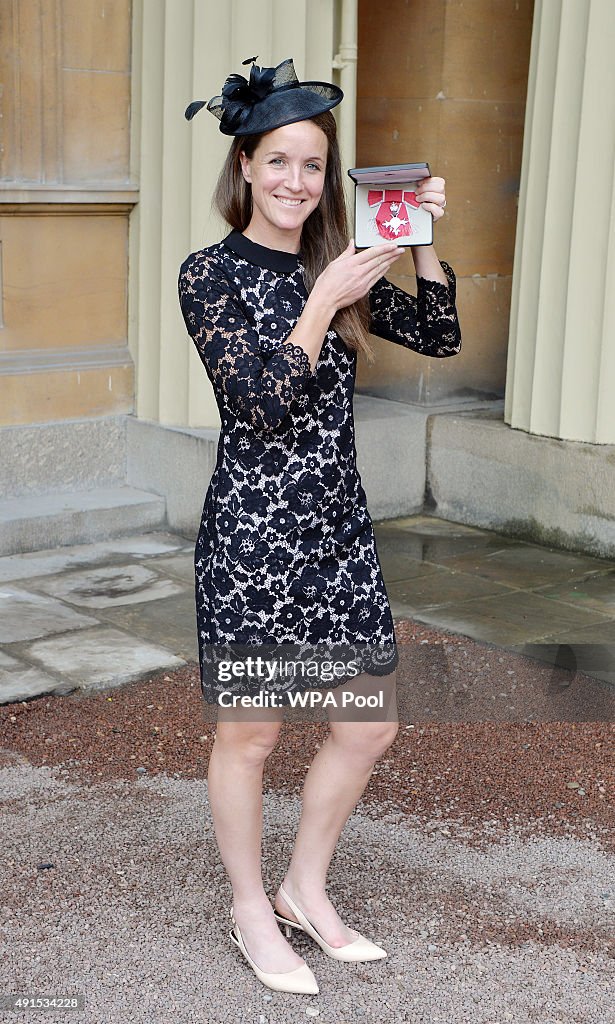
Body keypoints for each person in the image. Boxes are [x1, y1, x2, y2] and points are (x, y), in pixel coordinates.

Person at [178, 57, 462, 995]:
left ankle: (305, 885)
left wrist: (418, 241)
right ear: (247, 167)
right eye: (281, 162)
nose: (299, 182)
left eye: (314, 166)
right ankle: (250, 906)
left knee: (365, 724)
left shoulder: (333, 264)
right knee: (250, 737)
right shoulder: (209, 275)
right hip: (255, 539)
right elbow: (258, 406)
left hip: (337, 534)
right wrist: (319, 301)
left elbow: (439, 337)